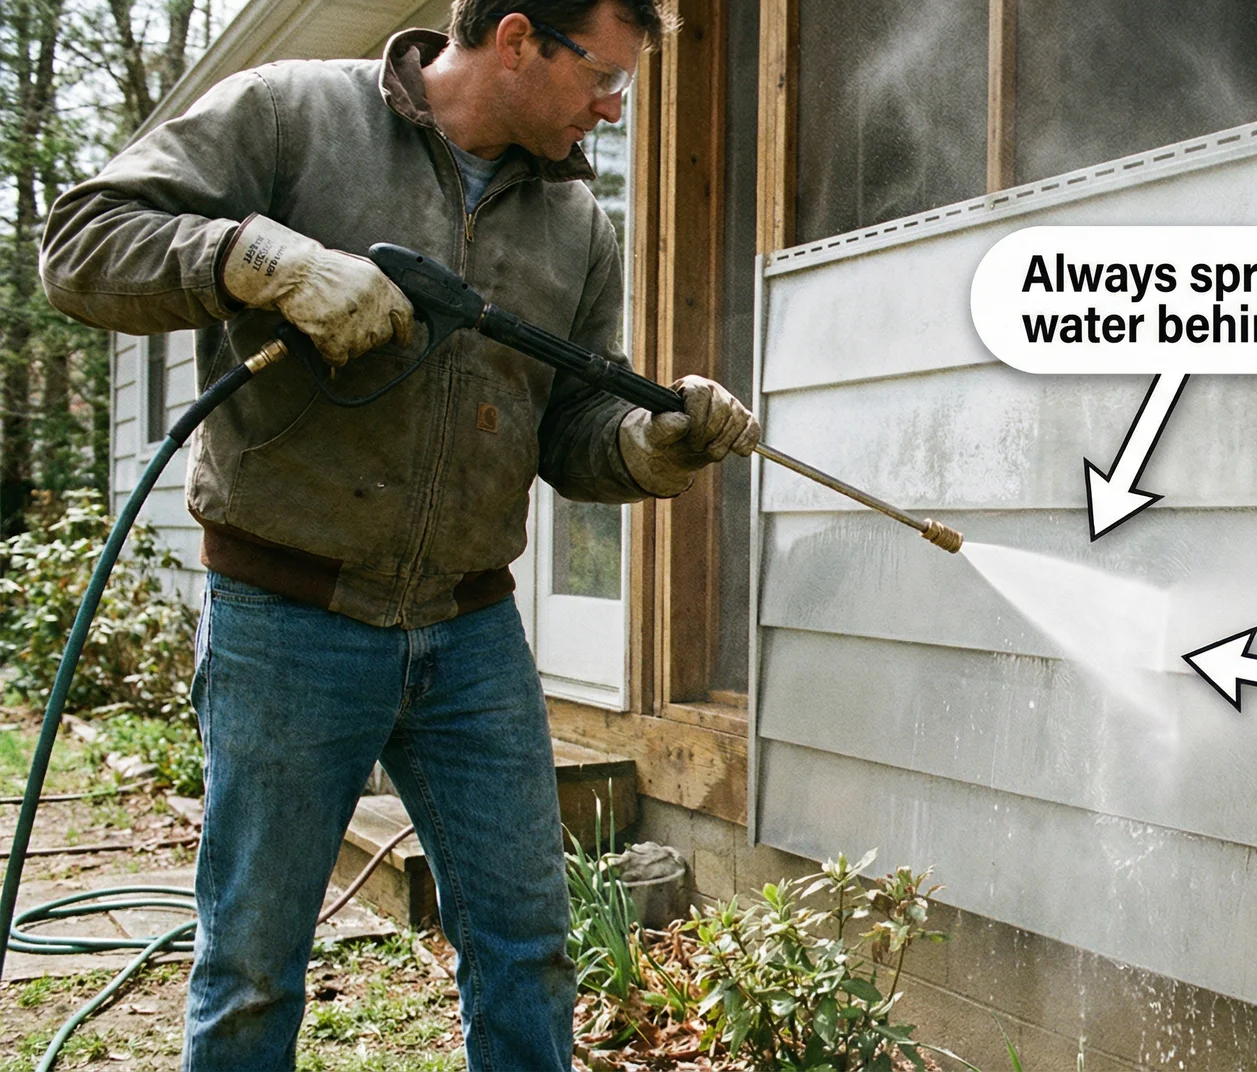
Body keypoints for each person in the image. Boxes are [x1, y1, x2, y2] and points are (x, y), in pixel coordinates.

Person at [38, 2, 751, 1068]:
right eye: (603, 75)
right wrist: (256, 258)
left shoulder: (575, 223)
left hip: (469, 632)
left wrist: (654, 446)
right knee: (251, 965)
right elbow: (79, 244)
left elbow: (568, 431)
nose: (615, 107)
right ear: (516, 39)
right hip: (287, 617)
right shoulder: (291, 117)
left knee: (527, 946)